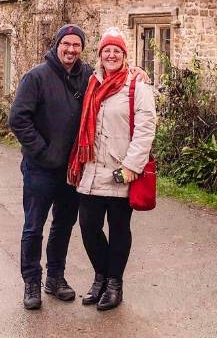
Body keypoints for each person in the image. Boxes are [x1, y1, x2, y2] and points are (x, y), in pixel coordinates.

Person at [68, 27, 157, 311]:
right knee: (89, 228)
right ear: (100, 54)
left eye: (116, 50)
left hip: (121, 172)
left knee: (119, 230)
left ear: (124, 55)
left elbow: (145, 130)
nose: (111, 54)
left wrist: (131, 167)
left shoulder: (137, 87)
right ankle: (101, 276)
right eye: (107, 50)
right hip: (91, 171)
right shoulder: (91, 83)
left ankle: (114, 283)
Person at [8, 24, 89, 310]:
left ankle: (55, 278)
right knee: (34, 227)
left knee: (64, 224)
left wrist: (137, 73)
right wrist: (42, 152)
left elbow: (115, 78)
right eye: (66, 44)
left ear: (81, 48)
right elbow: (18, 119)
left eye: (76, 45)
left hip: (71, 170)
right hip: (40, 168)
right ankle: (32, 282)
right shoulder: (36, 77)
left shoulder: (88, 76)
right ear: (56, 45)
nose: (70, 49)